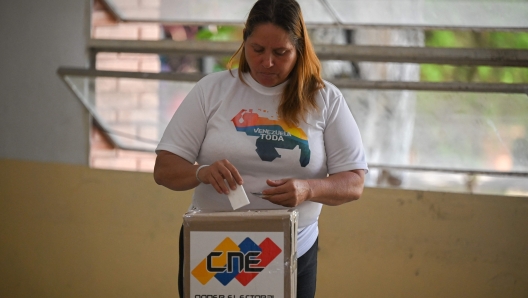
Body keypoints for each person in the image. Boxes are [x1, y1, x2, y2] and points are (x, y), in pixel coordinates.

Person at [153, 0, 368, 297]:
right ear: (244, 41)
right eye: (257, 50)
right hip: (214, 246)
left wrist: (309, 189)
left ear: (299, 49)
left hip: (291, 246)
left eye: (281, 53)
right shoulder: (211, 90)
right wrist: (202, 172)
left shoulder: (324, 99)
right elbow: (164, 170)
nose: (267, 62)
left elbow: (354, 182)